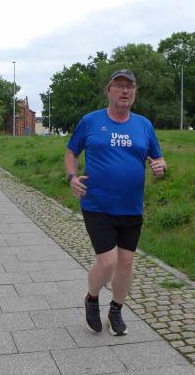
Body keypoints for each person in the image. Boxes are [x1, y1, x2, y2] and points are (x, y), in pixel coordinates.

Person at [65, 69, 167, 336]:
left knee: (126, 262)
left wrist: (160, 166)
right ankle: (91, 298)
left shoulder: (144, 125)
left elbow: (158, 158)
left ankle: (116, 310)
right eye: (119, 85)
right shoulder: (91, 121)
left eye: (129, 87)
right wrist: (72, 177)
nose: (125, 91)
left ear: (134, 92)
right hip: (97, 204)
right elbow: (71, 152)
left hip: (131, 206)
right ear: (108, 90)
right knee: (108, 261)